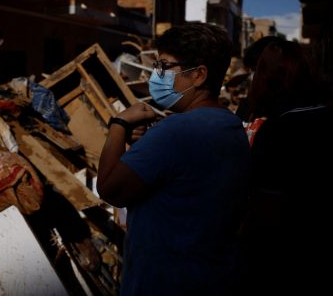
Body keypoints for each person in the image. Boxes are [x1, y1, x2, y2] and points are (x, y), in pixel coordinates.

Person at [97, 23, 252, 295]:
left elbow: (111, 188)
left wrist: (119, 123)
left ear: (199, 75)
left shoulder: (177, 130)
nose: (157, 75)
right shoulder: (230, 126)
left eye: (165, 67)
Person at [239, 38, 333, 295]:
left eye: (257, 72)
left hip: (287, 266)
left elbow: (265, 212)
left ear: (270, 79)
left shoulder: (278, 131)